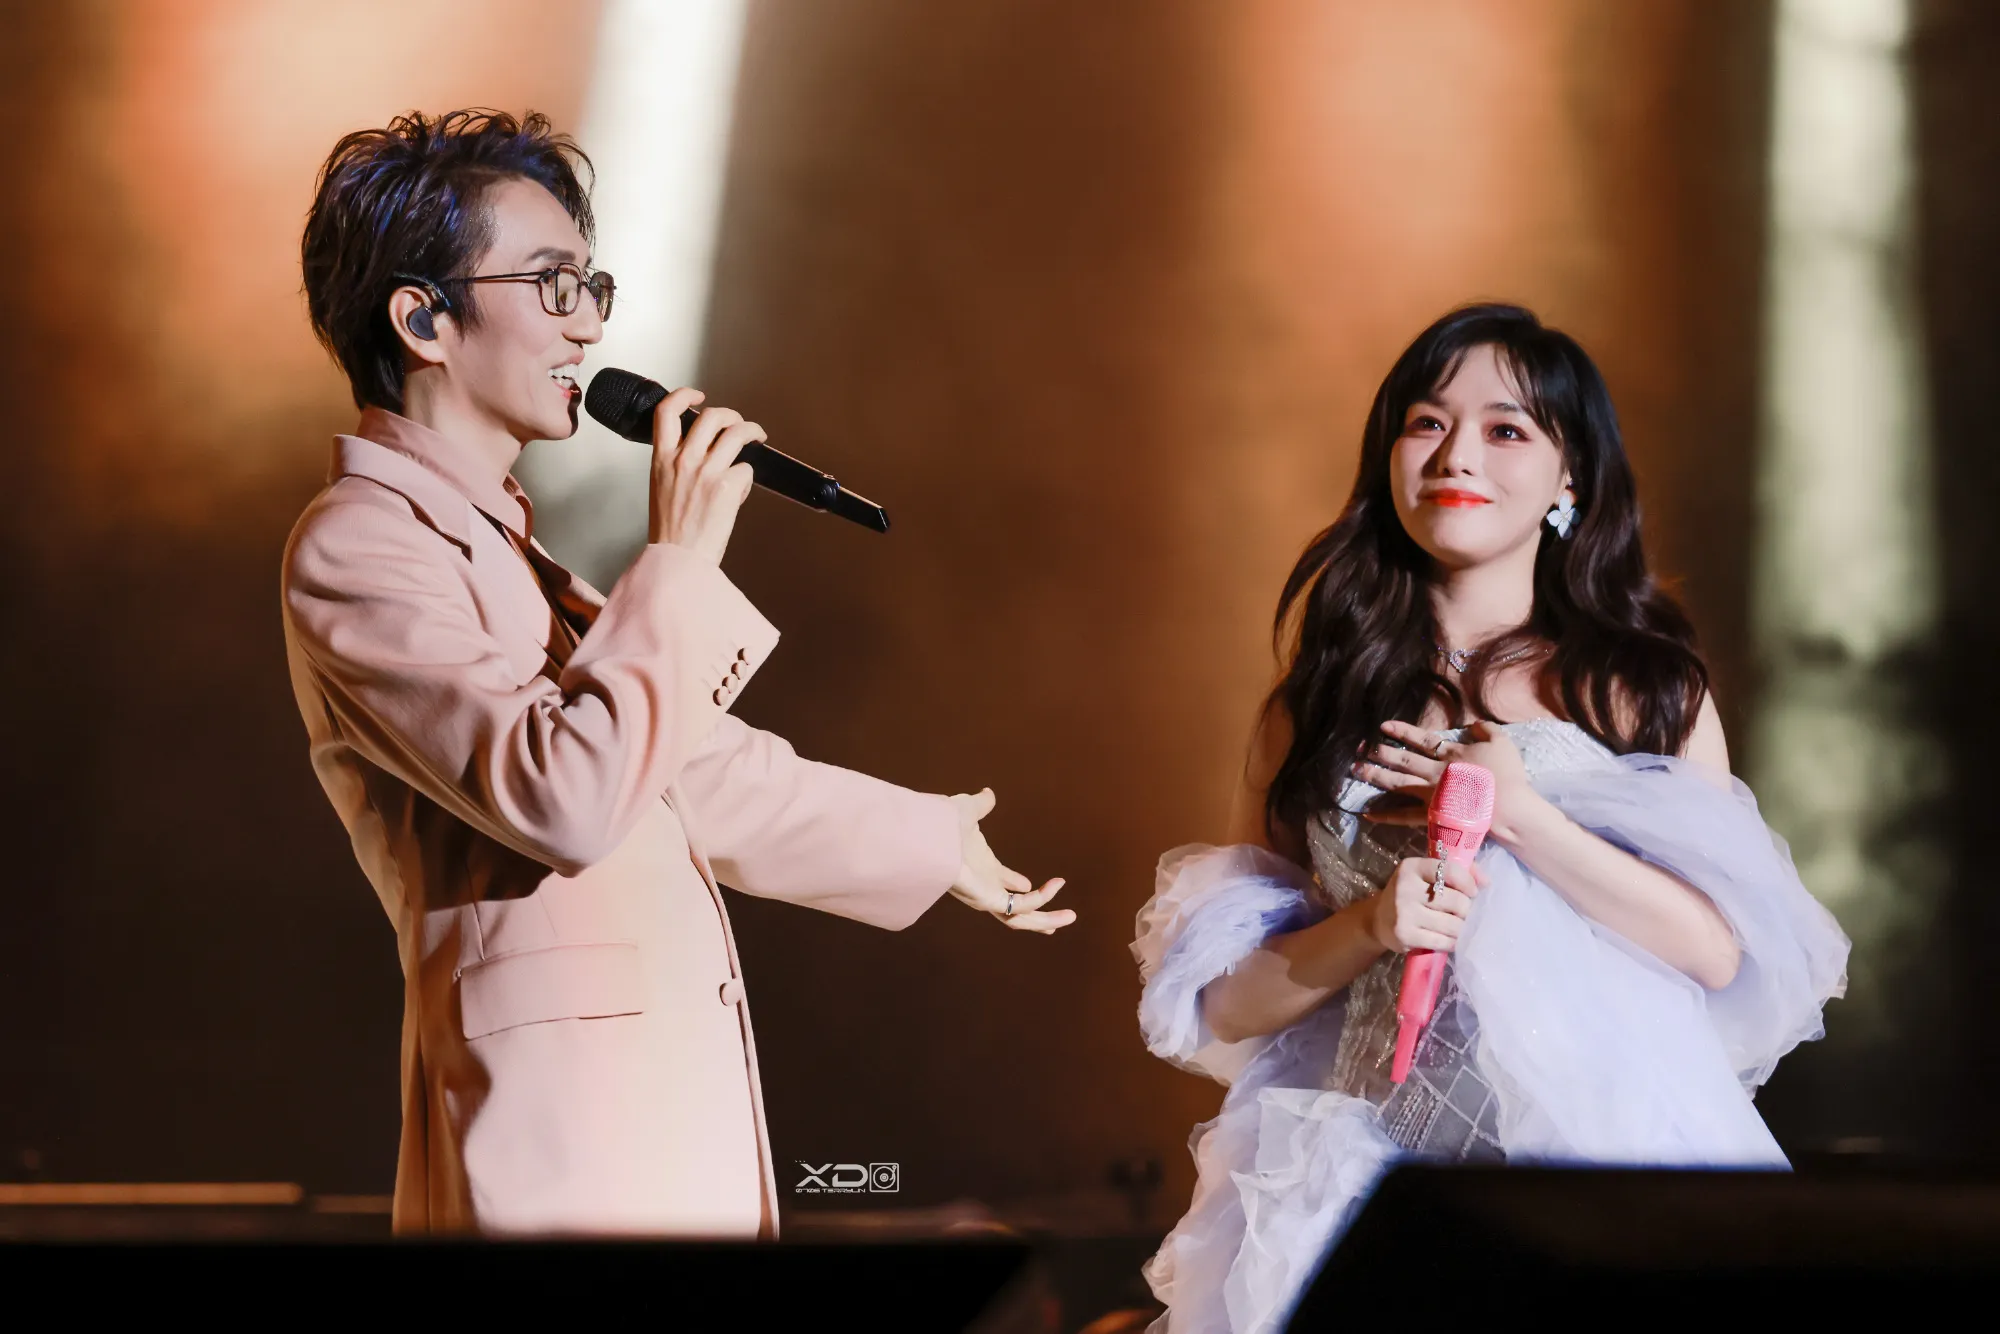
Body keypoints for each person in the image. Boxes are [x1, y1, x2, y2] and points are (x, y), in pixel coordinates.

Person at [281, 109, 1073, 1236]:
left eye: (592, 287)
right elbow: (566, 796)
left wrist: (932, 839)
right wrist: (680, 561)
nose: (590, 324)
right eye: (554, 284)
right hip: (554, 1149)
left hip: (648, 1125)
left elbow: (689, 770)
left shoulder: (509, 551)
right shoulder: (359, 544)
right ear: (424, 319)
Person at [1132, 304, 1848, 1332]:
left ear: (1568, 477)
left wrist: (1520, 817)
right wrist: (1369, 923)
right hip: (1364, 1176)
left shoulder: (1639, 690)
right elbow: (1226, 1005)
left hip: (1597, 1173)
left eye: (1505, 428)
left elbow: (1711, 950)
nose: (1455, 454)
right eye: (1426, 423)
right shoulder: (1316, 701)